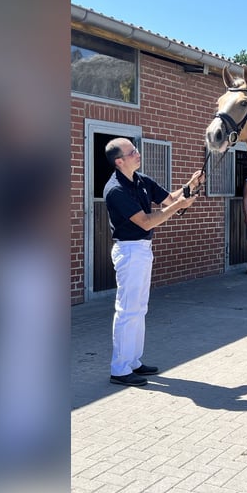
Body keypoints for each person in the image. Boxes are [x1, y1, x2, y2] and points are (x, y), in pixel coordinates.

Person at [103, 138, 204, 387]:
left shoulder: (141, 180)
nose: (138, 154)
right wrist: (180, 205)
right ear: (119, 161)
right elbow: (147, 221)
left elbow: (170, 200)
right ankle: (119, 368)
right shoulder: (115, 189)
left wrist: (190, 186)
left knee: (139, 308)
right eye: (132, 152)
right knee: (127, 310)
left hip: (143, 250)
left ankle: (133, 361)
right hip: (129, 251)